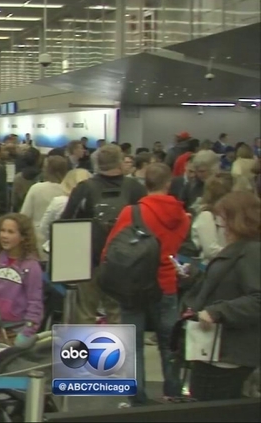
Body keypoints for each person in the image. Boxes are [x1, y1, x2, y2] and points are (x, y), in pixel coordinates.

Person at [103, 163, 189, 407]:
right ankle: (173, 392)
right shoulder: (182, 216)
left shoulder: (132, 213)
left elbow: (111, 248)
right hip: (166, 284)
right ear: (168, 183)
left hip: (134, 285)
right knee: (169, 344)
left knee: (133, 343)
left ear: (145, 183)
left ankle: (137, 398)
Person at [60, 144, 146, 324]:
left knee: (85, 313)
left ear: (97, 164)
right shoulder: (135, 188)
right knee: (118, 314)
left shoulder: (84, 188)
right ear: (120, 162)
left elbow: (66, 223)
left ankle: (84, 344)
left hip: (88, 261)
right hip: (123, 262)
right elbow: (145, 224)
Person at [188, 191, 260, 401]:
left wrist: (217, 311)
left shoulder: (252, 252)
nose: (220, 227)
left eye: (222, 221)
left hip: (230, 353)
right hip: (216, 350)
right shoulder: (241, 249)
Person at [0, 213, 43, 346]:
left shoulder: (31, 266)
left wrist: (27, 332)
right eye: (2, 231)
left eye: (10, 232)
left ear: (23, 237)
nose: (4, 235)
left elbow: (35, 302)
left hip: (18, 329)